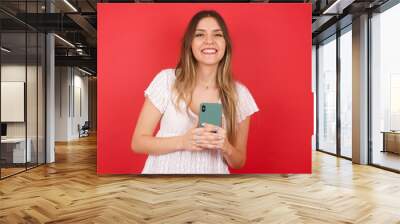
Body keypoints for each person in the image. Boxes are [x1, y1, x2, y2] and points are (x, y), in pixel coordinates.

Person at [131, 10, 259, 174]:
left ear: (225, 43)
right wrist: (183, 142)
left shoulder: (240, 94)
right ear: (190, 44)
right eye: (200, 35)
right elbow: (138, 143)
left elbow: (239, 161)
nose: (209, 41)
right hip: (161, 189)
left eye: (217, 35)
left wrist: (225, 146)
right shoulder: (166, 80)